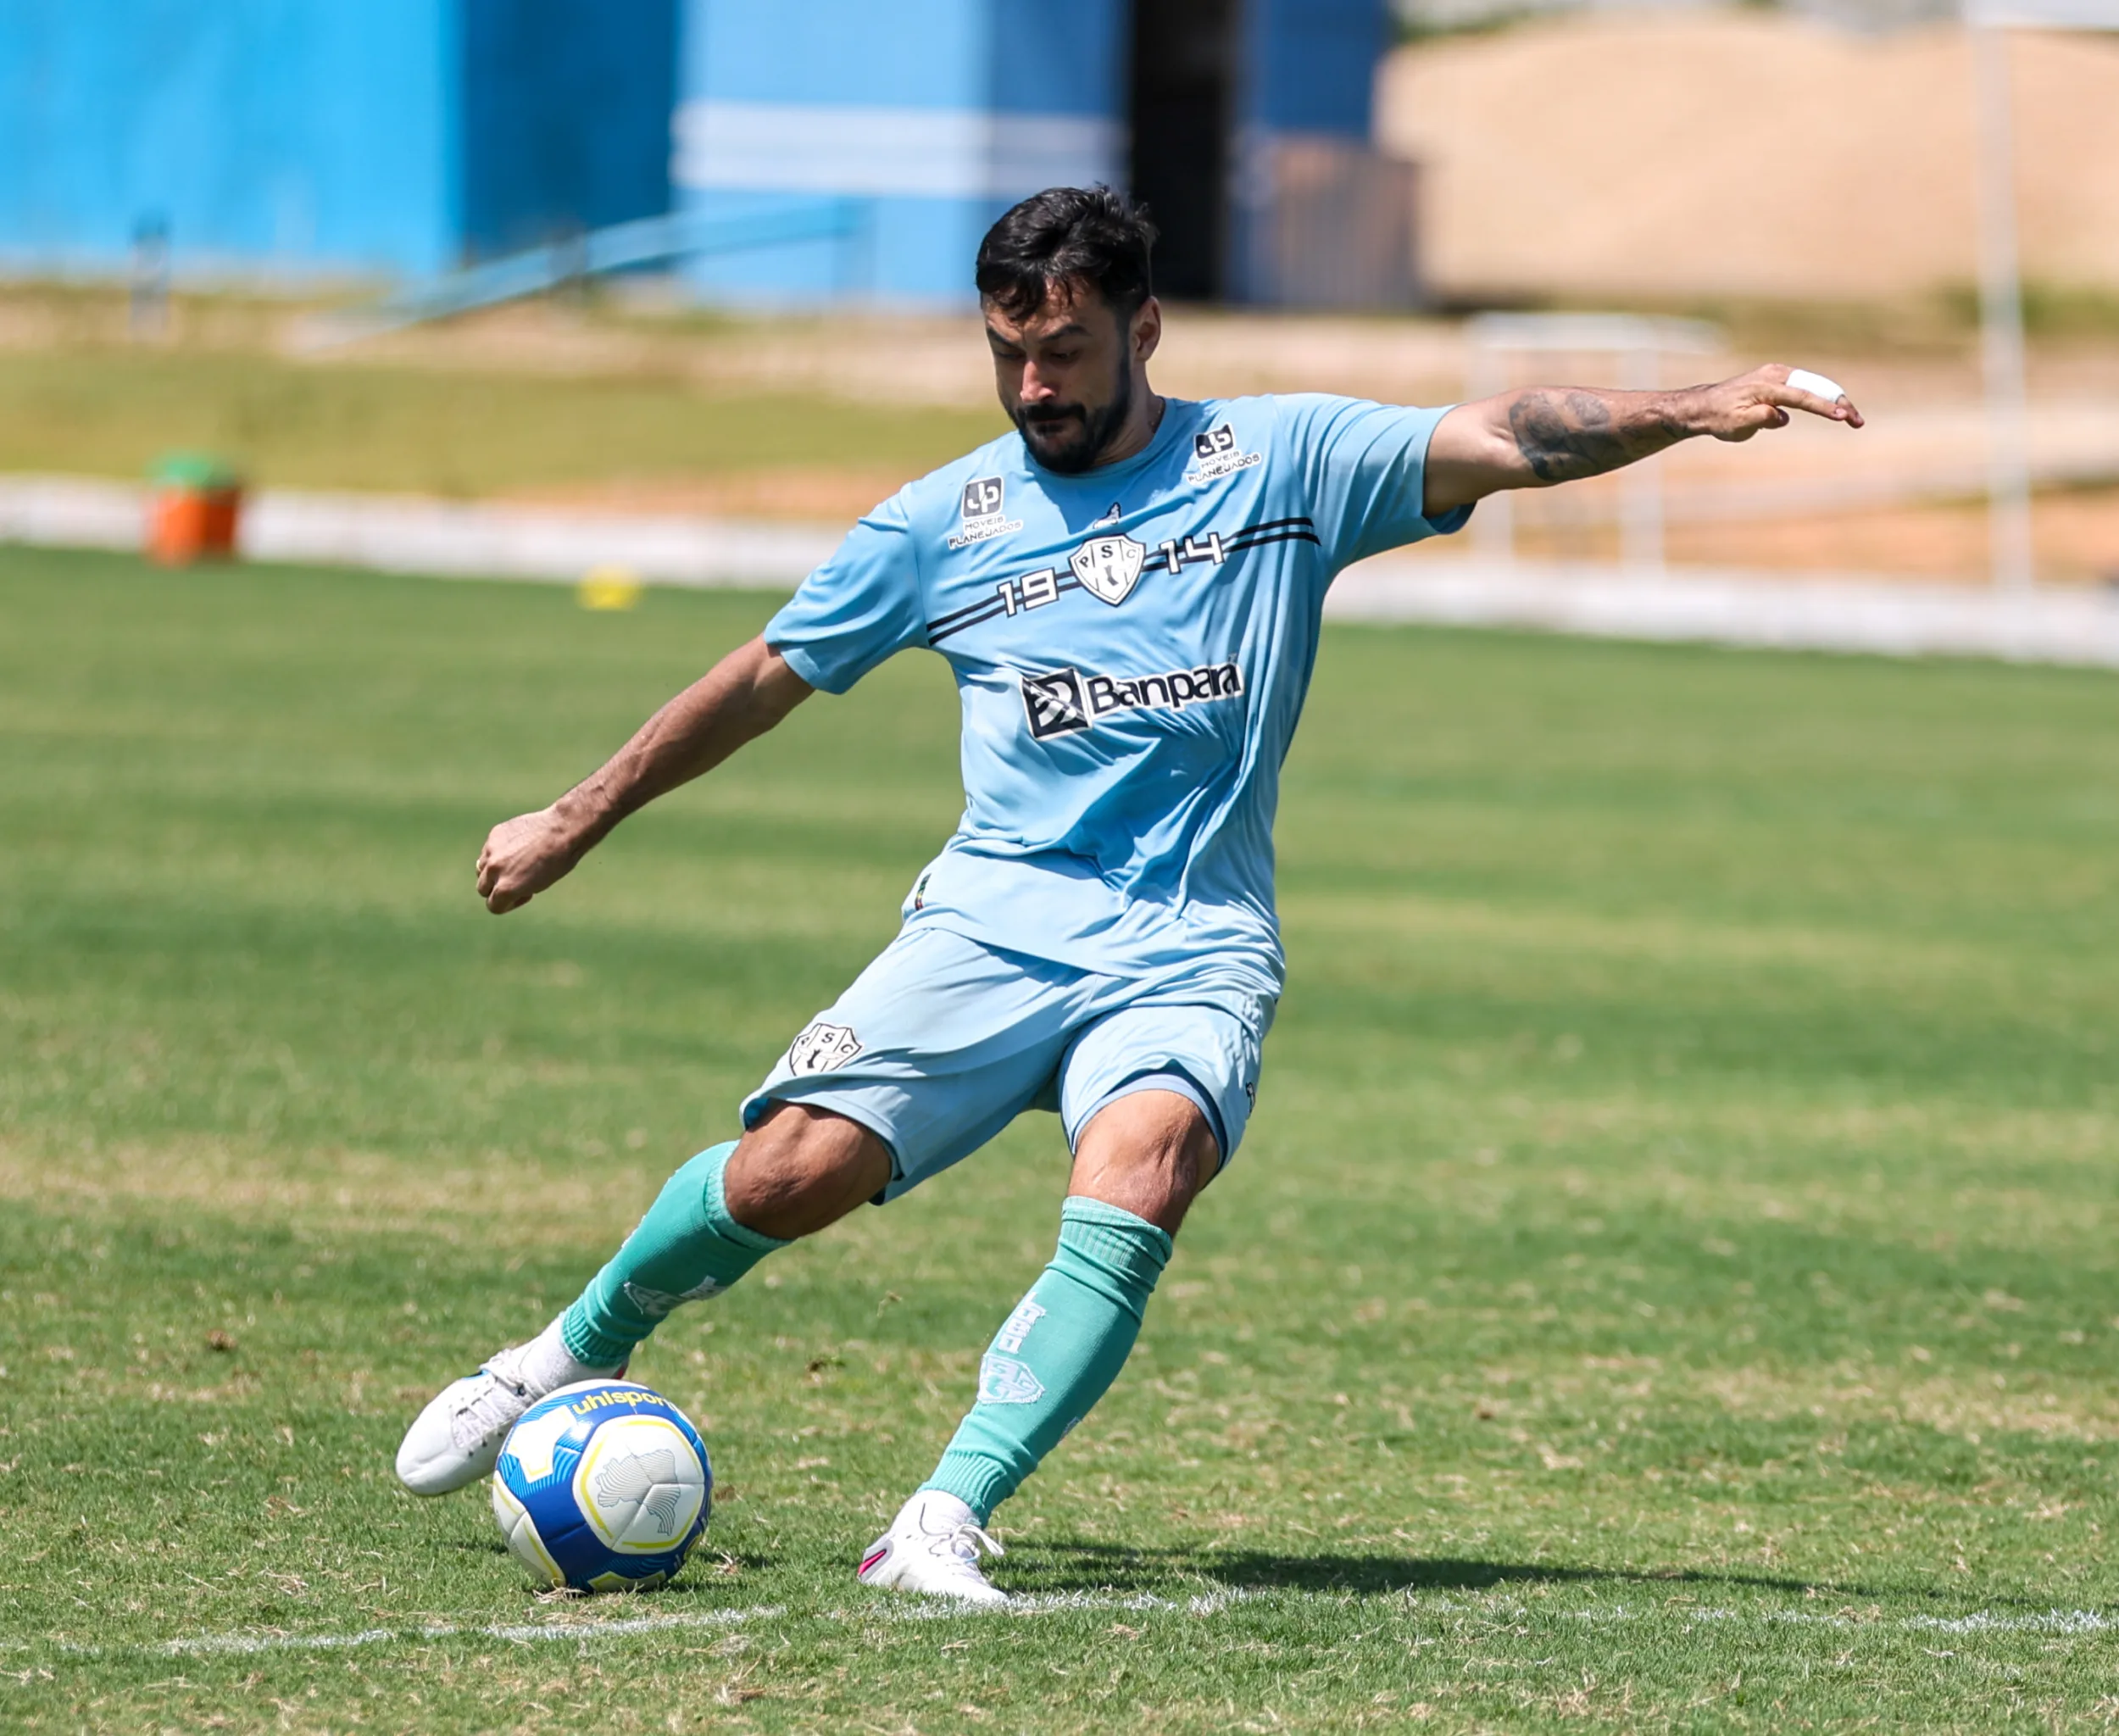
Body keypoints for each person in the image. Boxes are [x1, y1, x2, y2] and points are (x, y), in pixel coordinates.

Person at [394, 186, 1863, 1603]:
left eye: (1065, 351)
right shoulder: (943, 521)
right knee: (790, 1175)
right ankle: (569, 1352)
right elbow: (767, 677)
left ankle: (940, 1517)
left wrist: (1690, 404)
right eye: (1008, 354)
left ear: (1145, 329)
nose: (1034, 385)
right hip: (992, 923)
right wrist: (578, 817)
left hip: (1192, 943)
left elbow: (1504, 434)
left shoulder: (1278, 464)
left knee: (1147, 1167)